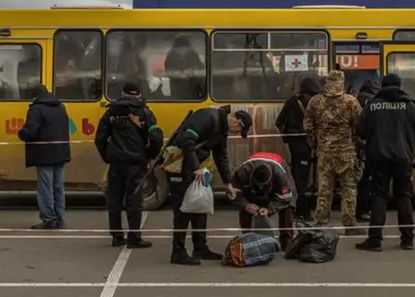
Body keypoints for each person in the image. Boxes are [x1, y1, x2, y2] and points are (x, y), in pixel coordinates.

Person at [164, 105, 250, 266]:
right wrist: (196, 168)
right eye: (239, 131)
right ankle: (178, 252)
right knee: (183, 210)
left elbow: (221, 157)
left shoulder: (221, 130)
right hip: (181, 167)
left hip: (197, 168)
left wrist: (228, 183)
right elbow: (187, 141)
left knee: (200, 206)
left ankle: (200, 247)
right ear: (237, 122)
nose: (237, 134)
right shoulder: (208, 117)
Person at [355, 73, 415, 252]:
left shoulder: (372, 105)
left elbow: (360, 130)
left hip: (378, 156)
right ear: (400, 85)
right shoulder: (409, 105)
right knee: (404, 196)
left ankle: (375, 239)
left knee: (379, 196)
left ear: (382, 85)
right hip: (403, 157)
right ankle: (407, 239)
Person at [94, 83, 163, 248]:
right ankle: (134, 237)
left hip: (116, 163)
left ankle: (117, 236)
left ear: (122, 93)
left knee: (114, 199)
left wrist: (107, 157)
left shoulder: (111, 112)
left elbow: (99, 139)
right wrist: (150, 156)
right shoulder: (145, 113)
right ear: (139, 95)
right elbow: (155, 137)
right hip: (136, 162)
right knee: (134, 201)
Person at [303, 70, 363, 234]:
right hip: (346, 152)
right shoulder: (351, 102)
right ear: (341, 82)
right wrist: (355, 144)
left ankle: (321, 222)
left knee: (324, 189)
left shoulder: (315, 102)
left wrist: (315, 145)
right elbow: (360, 126)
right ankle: (350, 224)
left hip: (325, 152)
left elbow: (308, 126)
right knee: (348, 188)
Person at [18, 84, 71, 230]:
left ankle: (49, 219)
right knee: (58, 187)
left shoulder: (36, 109)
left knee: (45, 187)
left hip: (44, 154)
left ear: (35, 96)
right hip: (60, 152)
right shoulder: (61, 107)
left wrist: (21, 133)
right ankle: (60, 218)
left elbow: (30, 132)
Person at [275, 76, 321, 221]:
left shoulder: (291, 101)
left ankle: (295, 207)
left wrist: (288, 136)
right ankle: (301, 210)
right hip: (306, 144)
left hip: (295, 145)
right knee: (302, 179)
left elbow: (279, 121)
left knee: (297, 177)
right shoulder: (313, 102)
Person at [229, 151, 296, 251]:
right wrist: (246, 205)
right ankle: (248, 239)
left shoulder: (280, 176)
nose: (261, 190)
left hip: (279, 167)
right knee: (245, 208)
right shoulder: (242, 173)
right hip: (250, 187)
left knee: (288, 207)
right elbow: (232, 194)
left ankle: (287, 242)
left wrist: (270, 209)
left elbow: (286, 198)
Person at [355, 78, 380, 222]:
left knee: (359, 179)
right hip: (369, 145)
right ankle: (365, 209)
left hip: (356, 144)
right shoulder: (374, 103)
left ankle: (360, 209)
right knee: (368, 179)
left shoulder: (356, 100)